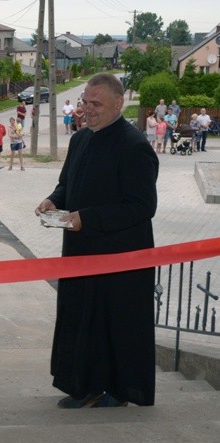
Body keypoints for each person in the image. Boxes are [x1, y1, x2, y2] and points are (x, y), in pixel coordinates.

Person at [35, 73, 159, 409]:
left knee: (112, 324)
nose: (86, 110)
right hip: (79, 251)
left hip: (119, 258)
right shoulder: (80, 140)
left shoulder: (134, 146)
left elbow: (143, 206)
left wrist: (88, 218)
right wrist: (53, 201)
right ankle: (83, 385)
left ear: (118, 104)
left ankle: (114, 391)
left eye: (95, 104)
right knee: (79, 317)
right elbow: (67, 186)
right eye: (84, 102)